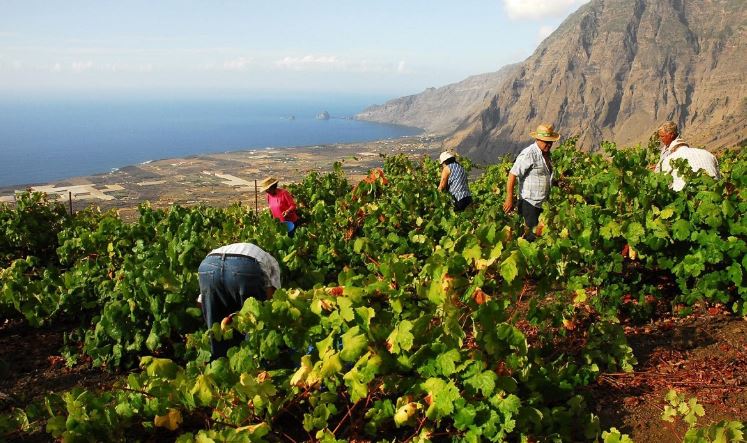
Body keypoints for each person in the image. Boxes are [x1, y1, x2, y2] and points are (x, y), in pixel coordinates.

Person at [197, 242, 281, 360]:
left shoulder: (222, 249)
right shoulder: (272, 261)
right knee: (254, 323)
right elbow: (269, 300)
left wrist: (218, 316)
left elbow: (202, 302)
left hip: (209, 263)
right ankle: (253, 365)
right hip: (244, 266)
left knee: (216, 333)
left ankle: (221, 365)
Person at [503, 123, 559, 241]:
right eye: (546, 141)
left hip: (542, 203)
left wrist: (556, 183)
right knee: (531, 238)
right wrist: (509, 197)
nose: (549, 144)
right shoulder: (529, 154)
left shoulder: (546, 154)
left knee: (540, 235)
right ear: (537, 139)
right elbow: (512, 174)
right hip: (529, 204)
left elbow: (544, 175)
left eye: (551, 142)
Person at [654, 121, 720, 191]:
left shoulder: (670, 159)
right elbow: (718, 178)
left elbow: (664, 183)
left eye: (662, 136)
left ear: (671, 134)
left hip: (687, 194)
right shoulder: (708, 154)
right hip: (713, 190)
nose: (661, 139)